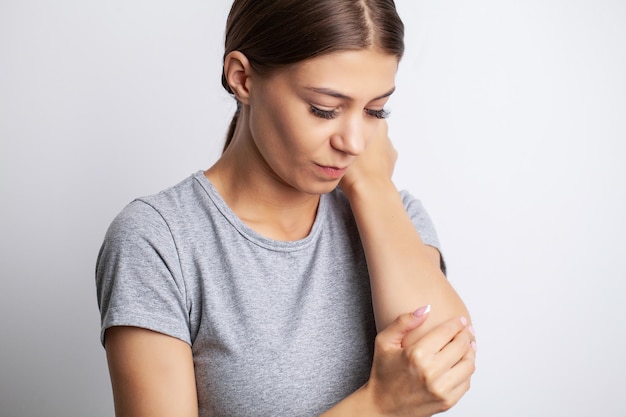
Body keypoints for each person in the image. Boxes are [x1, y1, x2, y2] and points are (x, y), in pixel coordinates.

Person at [95, 0, 476, 416]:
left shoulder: (393, 216)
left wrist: (371, 185)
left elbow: (446, 364)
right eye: (324, 109)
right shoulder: (159, 242)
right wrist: (378, 405)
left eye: (374, 111)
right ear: (242, 78)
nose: (353, 142)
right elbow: (402, 396)